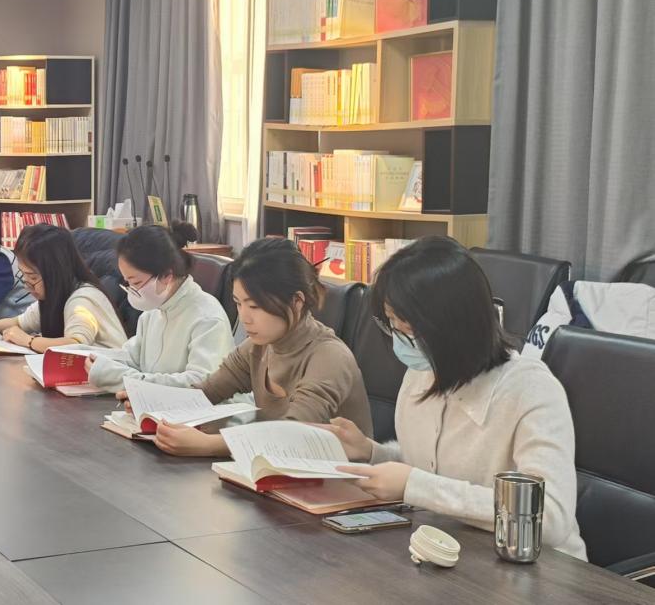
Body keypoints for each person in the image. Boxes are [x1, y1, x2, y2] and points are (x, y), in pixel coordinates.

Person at [319, 236, 587, 559]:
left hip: (540, 567)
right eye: (391, 322)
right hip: (454, 551)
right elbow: (432, 467)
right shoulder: (421, 373)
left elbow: (550, 518)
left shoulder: (530, 390)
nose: (398, 337)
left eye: (405, 325)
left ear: (450, 324)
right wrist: (371, 452)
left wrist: (415, 486)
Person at [138, 238, 372, 456]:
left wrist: (208, 444)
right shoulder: (257, 347)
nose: (244, 318)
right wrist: (152, 405)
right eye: (238, 304)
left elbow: (294, 433)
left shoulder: (329, 356)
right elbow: (206, 392)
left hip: (341, 479)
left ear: (296, 301)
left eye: (255, 306)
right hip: (277, 470)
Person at [87, 222, 232, 390]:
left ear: (166, 275)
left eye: (136, 283)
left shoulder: (207, 318)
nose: (132, 291)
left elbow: (201, 383)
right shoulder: (153, 312)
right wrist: (90, 357)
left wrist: (120, 378)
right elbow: (131, 358)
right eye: (127, 283)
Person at [0, 223, 127, 351]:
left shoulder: (82, 299)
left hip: (109, 380)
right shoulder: (56, 294)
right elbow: (20, 322)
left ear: (56, 271)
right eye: (24, 275)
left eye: (33, 277)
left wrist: (28, 341)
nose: (28, 285)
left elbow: (75, 345)